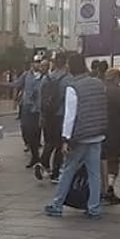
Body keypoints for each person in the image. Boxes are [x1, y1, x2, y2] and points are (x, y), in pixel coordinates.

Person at [44, 54, 108, 219]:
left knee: (68, 170)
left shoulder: (73, 87)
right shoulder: (98, 84)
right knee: (95, 173)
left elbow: (70, 115)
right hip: (97, 133)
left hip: (80, 135)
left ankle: (57, 205)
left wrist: (66, 138)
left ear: (70, 67)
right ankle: (94, 208)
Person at [100, 67, 120, 206]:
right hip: (114, 130)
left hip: (98, 130)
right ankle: (109, 188)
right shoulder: (118, 91)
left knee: (100, 160)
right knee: (114, 161)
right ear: (117, 78)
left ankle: (100, 189)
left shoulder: (99, 88)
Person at [37, 52, 68, 181]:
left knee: (48, 142)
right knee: (59, 145)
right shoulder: (67, 79)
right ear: (65, 63)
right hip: (60, 115)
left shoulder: (46, 78)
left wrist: (42, 114)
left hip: (48, 114)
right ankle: (55, 173)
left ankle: (42, 163)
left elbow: (41, 98)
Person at [18, 57, 44, 168]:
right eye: (36, 62)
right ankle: (35, 156)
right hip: (27, 108)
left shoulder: (45, 77)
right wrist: (2, 84)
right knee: (27, 131)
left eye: (39, 63)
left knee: (36, 134)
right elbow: (18, 83)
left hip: (38, 109)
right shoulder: (26, 75)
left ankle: (37, 157)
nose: (37, 65)